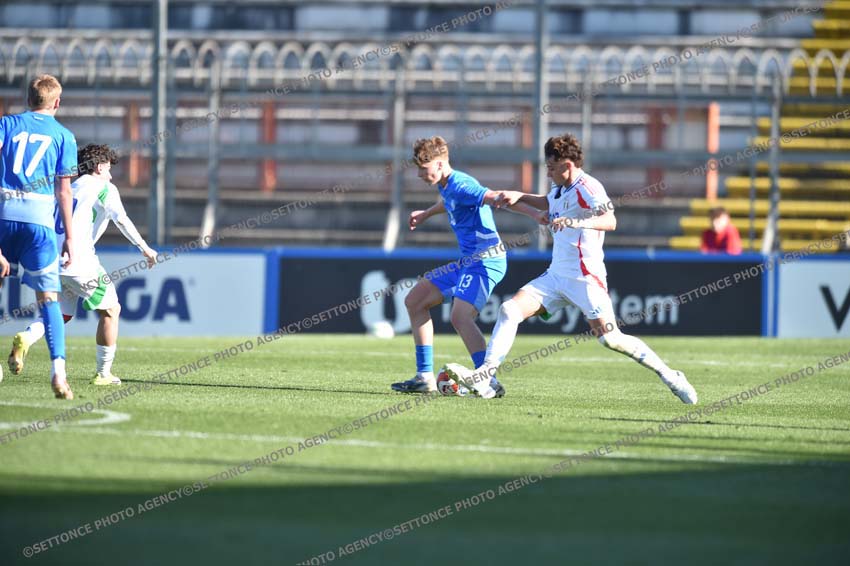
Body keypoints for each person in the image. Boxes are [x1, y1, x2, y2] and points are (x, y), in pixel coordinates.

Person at [444, 133, 697, 404]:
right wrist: (521, 196)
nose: (548, 172)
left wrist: (576, 222)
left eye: (551, 167)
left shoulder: (589, 187)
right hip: (556, 275)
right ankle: (486, 376)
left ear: (567, 165)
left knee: (610, 339)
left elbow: (610, 220)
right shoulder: (560, 188)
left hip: (584, 276)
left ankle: (670, 375)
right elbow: (549, 202)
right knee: (509, 310)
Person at [391, 136, 547, 395]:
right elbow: (449, 202)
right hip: (468, 262)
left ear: (440, 164)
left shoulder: (463, 185)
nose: (419, 174)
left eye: (423, 168)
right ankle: (424, 377)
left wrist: (535, 214)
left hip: (487, 260)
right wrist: (426, 214)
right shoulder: (447, 185)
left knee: (460, 316)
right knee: (415, 301)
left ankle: (488, 381)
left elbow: (496, 198)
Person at [9, 144, 158, 385]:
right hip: (79, 261)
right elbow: (122, 220)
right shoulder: (104, 188)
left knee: (62, 314)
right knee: (112, 310)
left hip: (51, 260)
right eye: (108, 169)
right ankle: (103, 373)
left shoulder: (68, 188)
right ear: (98, 167)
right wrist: (145, 248)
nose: (111, 175)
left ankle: (26, 337)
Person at [0, 74, 77, 399]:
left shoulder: (7, 124)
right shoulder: (64, 136)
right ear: (56, 102)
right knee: (48, 301)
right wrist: (69, 237)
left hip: (4, 216)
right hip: (40, 224)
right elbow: (64, 191)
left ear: (28, 99)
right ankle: (58, 374)